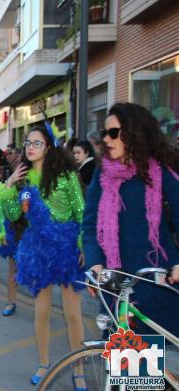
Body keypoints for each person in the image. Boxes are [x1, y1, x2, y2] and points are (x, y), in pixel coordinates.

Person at [0, 125, 88, 391]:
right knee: (42, 312)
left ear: (49, 146)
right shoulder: (23, 181)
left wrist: (81, 244)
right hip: (37, 249)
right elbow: (13, 216)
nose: (30, 147)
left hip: (67, 246)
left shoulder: (66, 176)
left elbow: (81, 211)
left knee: (72, 314)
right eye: (27, 143)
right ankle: (44, 364)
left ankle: (79, 370)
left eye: (36, 142)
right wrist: (9, 184)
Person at [83, 102, 179, 338]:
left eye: (114, 133)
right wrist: (94, 262)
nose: (106, 139)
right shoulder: (102, 173)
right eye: (105, 133)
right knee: (124, 369)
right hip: (116, 287)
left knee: (146, 369)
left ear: (134, 133)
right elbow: (91, 224)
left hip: (158, 284)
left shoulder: (161, 172)